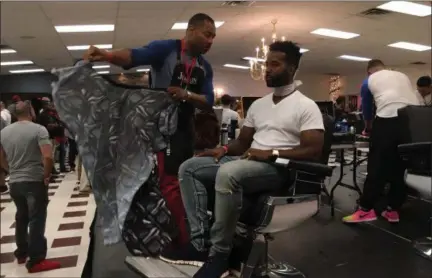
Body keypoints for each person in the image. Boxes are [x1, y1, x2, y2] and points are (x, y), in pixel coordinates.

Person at [160, 41, 325, 278]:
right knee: (189, 168)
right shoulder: (258, 105)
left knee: (230, 173)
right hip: (248, 162)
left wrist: (272, 153)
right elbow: (243, 143)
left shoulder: (306, 106)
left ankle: (220, 255)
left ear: (293, 68)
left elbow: (313, 149)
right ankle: (199, 244)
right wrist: (223, 149)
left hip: (277, 168)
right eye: (267, 64)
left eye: (275, 64)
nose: (267, 69)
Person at [84, 12, 216, 246]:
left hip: (185, 128)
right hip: (159, 127)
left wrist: (187, 94)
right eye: (207, 34)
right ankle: (180, 238)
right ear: (191, 30)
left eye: (213, 37)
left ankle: (189, 229)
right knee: (168, 182)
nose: (210, 41)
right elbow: (134, 56)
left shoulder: (204, 66)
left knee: (185, 178)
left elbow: (208, 100)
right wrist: (107, 55)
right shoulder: (167, 49)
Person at [343, 60, 420, 224]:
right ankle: (393, 209)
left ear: (369, 72)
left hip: (388, 119)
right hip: (413, 121)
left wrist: (368, 128)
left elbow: (367, 109)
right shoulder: (402, 75)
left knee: (376, 165)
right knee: (400, 167)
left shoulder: (368, 81)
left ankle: (365, 209)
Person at [0, 101, 60, 273]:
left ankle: (22, 252)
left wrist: (10, 170)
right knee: (36, 219)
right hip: (34, 180)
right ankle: (36, 260)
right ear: (31, 111)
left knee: (21, 216)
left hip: (15, 182)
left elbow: (0, 157)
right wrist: (46, 175)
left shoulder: (4, 132)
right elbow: (47, 157)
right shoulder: (39, 130)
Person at [37, 98, 67, 174]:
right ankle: (51, 170)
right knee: (52, 154)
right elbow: (46, 125)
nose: (50, 105)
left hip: (59, 134)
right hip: (51, 136)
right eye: (48, 103)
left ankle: (61, 167)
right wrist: (56, 125)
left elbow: (61, 122)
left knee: (62, 152)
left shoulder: (54, 113)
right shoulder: (43, 114)